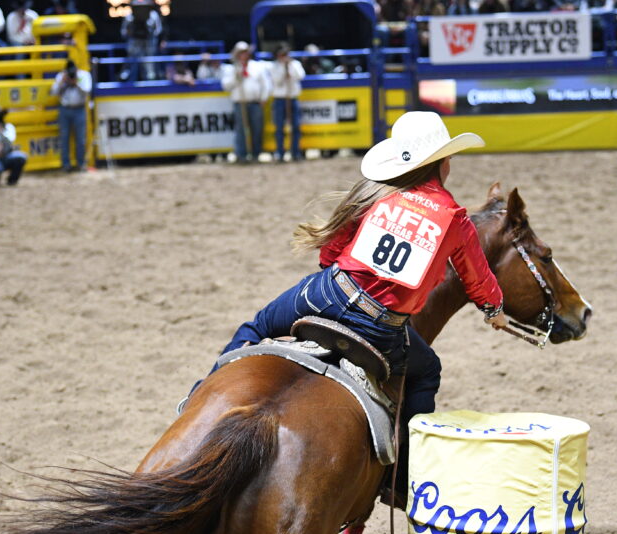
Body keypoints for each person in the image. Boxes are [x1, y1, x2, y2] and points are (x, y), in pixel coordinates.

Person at [214, 110, 507, 492]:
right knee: (427, 370)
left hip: (329, 293)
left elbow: (331, 252)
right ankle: (402, 476)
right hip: (382, 328)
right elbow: (478, 277)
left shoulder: (377, 194)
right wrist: (495, 310)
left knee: (257, 326)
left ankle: (200, 396)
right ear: (442, 162)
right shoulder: (454, 218)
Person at [220, 41, 270, 163]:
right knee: (241, 130)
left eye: (245, 53)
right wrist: (236, 77)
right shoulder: (231, 69)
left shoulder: (257, 66)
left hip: (255, 102)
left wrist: (264, 98)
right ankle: (241, 154)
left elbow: (266, 84)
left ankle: (256, 153)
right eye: (241, 53)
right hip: (240, 102)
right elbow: (226, 86)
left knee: (257, 129)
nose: (243, 56)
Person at [51, 58, 91, 172]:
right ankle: (65, 164)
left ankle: (81, 163)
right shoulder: (61, 76)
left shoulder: (84, 75)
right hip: (64, 109)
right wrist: (63, 82)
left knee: (81, 138)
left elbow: (87, 91)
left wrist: (76, 83)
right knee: (64, 138)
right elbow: (54, 91)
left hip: (79, 108)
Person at [270, 43, 305, 163]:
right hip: (280, 98)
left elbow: (300, 76)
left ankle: (295, 152)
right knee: (279, 127)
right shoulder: (274, 66)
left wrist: (290, 68)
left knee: (295, 126)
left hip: (292, 97)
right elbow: (277, 81)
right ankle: (280, 152)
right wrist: (283, 72)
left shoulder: (295, 64)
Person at [120, 0, 161, 82]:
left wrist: (151, 34)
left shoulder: (153, 16)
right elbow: (123, 32)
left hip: (148, 43)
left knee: (149, 62)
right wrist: (130, 32)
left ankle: (150, 74)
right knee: (131, 59)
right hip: (134, 43)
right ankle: (126, 72)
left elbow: (158, 30)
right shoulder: (129, 17)